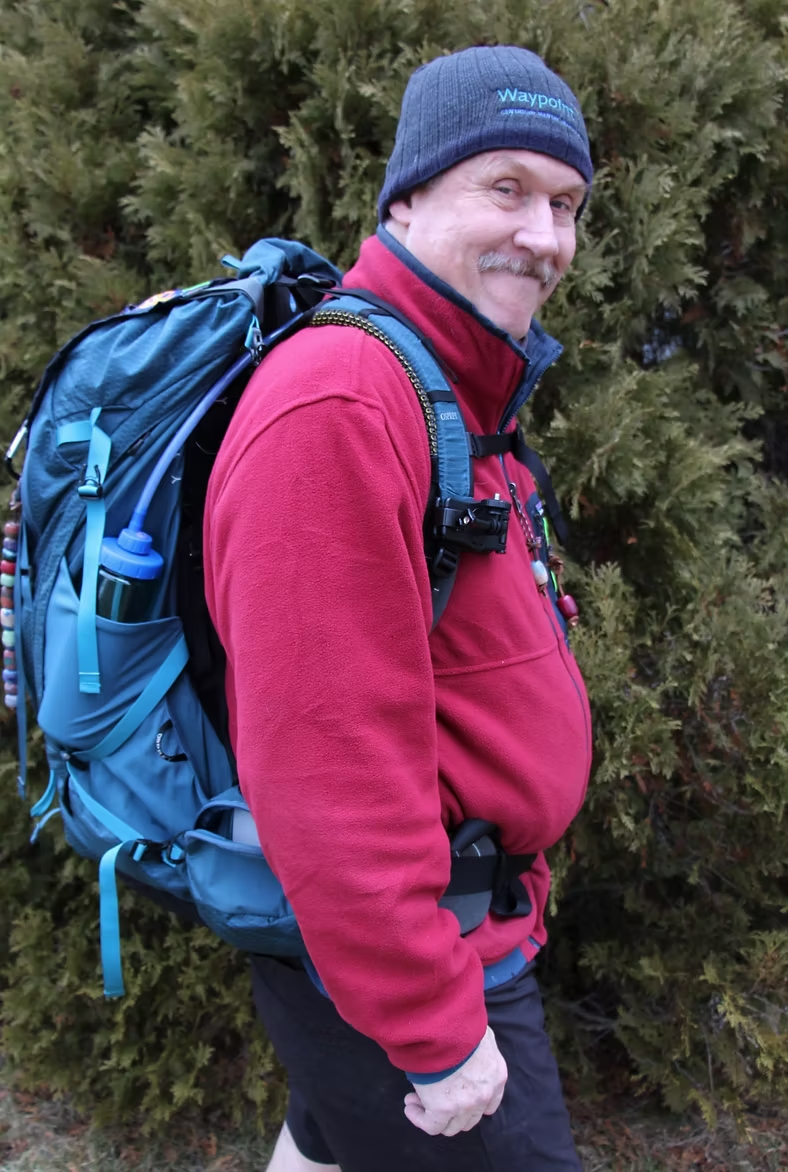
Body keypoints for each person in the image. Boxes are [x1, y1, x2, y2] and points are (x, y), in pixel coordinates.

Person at [204, 43, 593, 1172]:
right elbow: (322, 759)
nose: (543, 235)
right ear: (409, 197)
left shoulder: (449, 382)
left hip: (440, 924)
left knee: (326, 1142)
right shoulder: (340, 399)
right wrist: (434, 1029)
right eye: (505, 187)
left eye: (563, 202)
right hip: (417, 958)